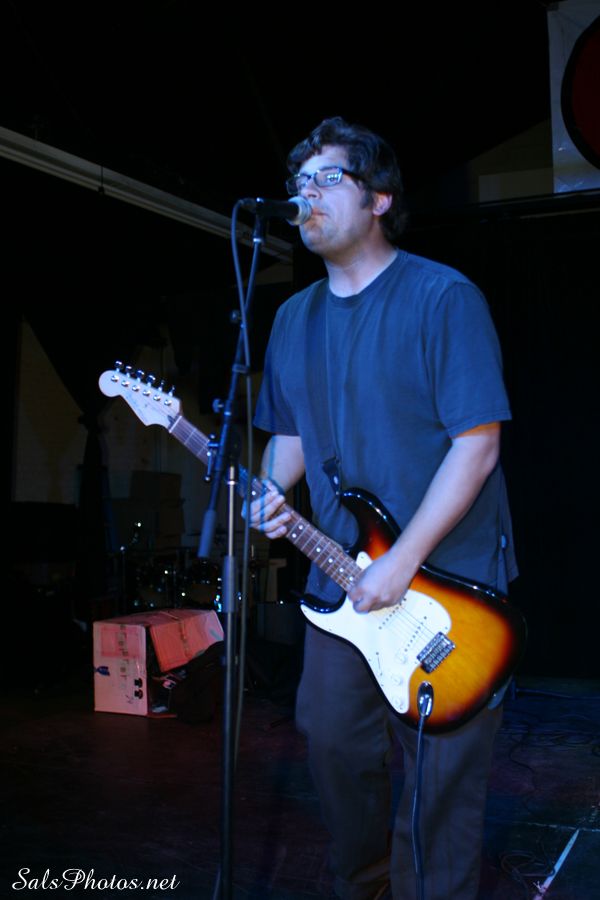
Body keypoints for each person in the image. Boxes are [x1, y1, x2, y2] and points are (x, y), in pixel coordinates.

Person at [248, 117, 517, 900]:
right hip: (342, 577)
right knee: (332, 743)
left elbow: (477, 446)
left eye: (327, 179)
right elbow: (290, 436)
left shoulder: (442, 297)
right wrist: (271, 492)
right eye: (299, 183)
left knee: (441, 777)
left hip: (450, 580)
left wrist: (403, 560)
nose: (306, 195)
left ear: (379, 199)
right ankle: (365, 885)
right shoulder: (293, 318)